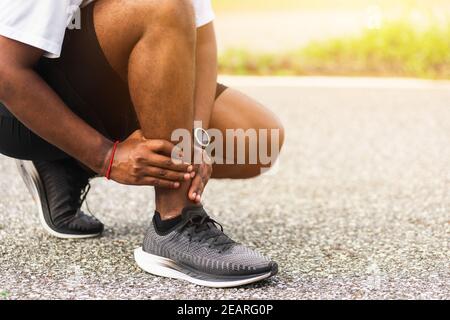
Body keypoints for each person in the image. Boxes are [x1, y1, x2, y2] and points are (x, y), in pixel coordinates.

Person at [0, 0, 284, 287]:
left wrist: (194, 138)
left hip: (92, 78)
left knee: (256, 141)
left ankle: (68, 162)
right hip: (15, 110)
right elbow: (5, 68)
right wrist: (105, 156)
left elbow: (203, 41)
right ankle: (175, 222)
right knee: (162, 6)